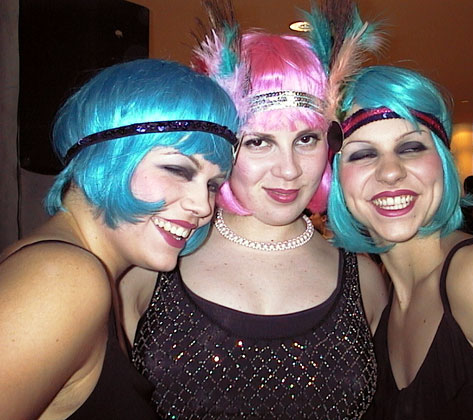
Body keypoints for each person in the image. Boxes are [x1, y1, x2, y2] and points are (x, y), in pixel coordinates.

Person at [120, 26, 387, 419]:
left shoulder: (364, 281)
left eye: (306, 139)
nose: (289, 170)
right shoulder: (151, 268)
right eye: (258, 141)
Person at [0, 58, 239, 420]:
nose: (203, 206)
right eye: (177, 169)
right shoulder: (61, 277)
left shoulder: (87, 273)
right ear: (108, 156)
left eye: (212, 185)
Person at [328, 65, 473, 419]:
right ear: (337, 178)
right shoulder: (380, 300)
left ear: (442, 163)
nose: (390, 172)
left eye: (410, 148)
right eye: (363, 154)